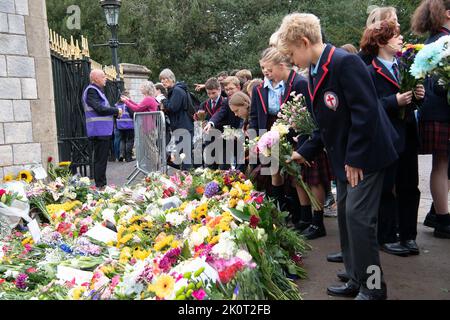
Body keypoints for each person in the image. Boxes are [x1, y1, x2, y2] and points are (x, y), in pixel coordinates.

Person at [277, 12, 399, 300]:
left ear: (305, 42)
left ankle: (373, 287)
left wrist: (355, 158)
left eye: (292, 53)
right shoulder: (316, 71)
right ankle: (356, 278)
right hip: (345, 159)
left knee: (359, 219)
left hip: (365, 156)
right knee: (346, 216)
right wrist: (303, 152)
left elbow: (366, 112)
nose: (292, 60)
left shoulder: (345, 63)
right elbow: (326, 124)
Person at [362, 20, 425, 256]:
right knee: (386, 188)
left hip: (407, 134)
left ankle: (409, 236)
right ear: (380, 42)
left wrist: (419, 96)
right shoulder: (369, 71)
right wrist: (393, 101)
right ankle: (386, 236)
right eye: (395, 35)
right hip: (386, 137)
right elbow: (368, 106)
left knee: (410, 186)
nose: (400, 38)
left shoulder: (405, 65)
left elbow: (414, 103)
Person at [411, 0, 450, 239]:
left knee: (443, 164)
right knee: (443, 165)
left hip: (434, 110)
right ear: (447, 14)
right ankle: (443, 219)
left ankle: (437, 212)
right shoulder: (444, 41)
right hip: (441, 111)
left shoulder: (433, 40)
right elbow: (437, 83)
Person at [82, 69, 122, 188]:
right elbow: (99, 108)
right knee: (100, 159)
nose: (106, 79)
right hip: (98, 131)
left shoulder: (97, 91)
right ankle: (100, 185)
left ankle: (102, 184)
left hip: (102, 130)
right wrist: (116, 110)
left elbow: (102, 108)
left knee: (101, 159)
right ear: (95, 79)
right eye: (103, 76)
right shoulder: (91, 91)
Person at [158, 68, 194, 170]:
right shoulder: (175, 90)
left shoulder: (177, 90)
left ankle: (188, 177)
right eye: (161, 80)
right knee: (182, 155)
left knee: (185, 156)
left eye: (165, 79)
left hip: (183, 127)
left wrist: (163, 100)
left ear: (172, 78)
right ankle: (186, 176)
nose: (163, 82)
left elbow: (173, 107)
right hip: (181, 126)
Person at [116, 90, 135, 162]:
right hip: (129, 125)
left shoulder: (116, 105)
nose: (130, 98)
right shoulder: (127, 105)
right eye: (129, 96)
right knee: (130, 141)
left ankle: (121, 155)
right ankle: (128, 157)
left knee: (122, 140)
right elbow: (132, 114)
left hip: (120, 126)